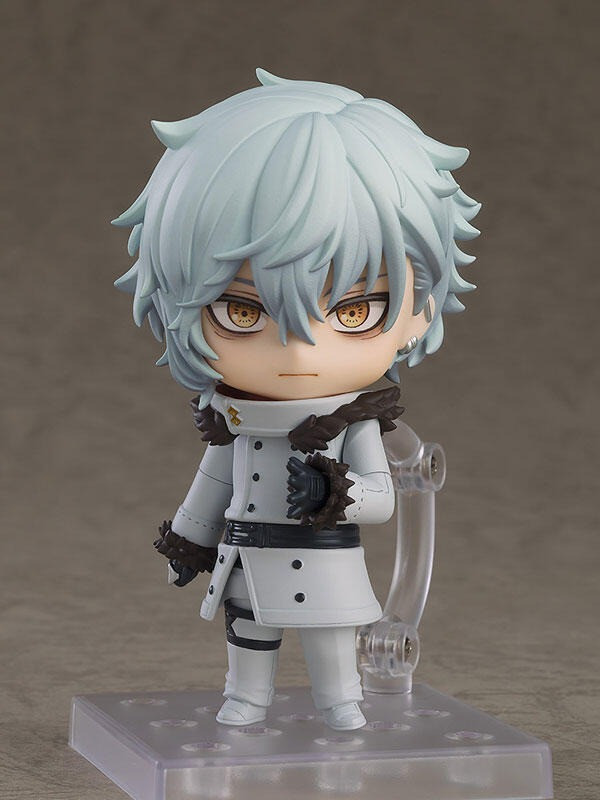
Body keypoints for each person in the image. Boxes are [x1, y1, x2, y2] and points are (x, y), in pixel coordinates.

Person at [113, 69, 480, 731]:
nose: (300, 352)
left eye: (355, 312)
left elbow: (383, 498)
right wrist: (189, 541)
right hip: (248, 555)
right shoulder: (235, 420)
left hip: (326, 558)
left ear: (418, 311)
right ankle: (246, 697)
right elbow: (213, 482)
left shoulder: (349, 422)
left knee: (331, 637)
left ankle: (341, 699)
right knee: (248, 632)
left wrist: (333, 491)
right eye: (244, 312)